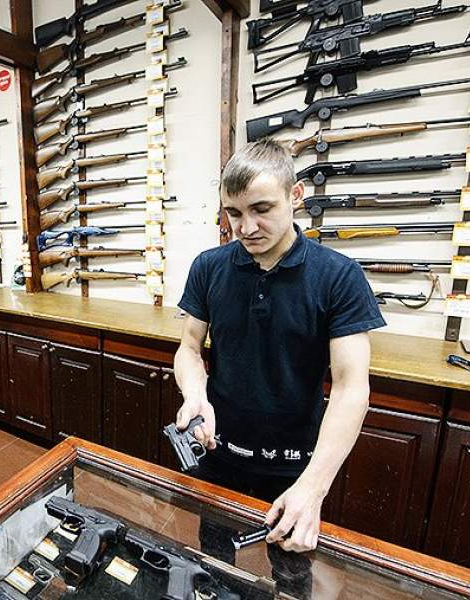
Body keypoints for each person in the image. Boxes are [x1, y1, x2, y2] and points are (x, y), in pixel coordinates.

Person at [173, 139, 384, 598]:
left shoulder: (339, 276)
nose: (246, 228)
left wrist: (313, 488)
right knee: (213, 563)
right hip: (219, 452)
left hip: (295, 465)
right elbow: (189, 348)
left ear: (296, 195)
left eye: (261, 209)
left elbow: (351, 388)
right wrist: (196, 395)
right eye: (233, 213)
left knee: (291, 577)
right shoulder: (208, 267)